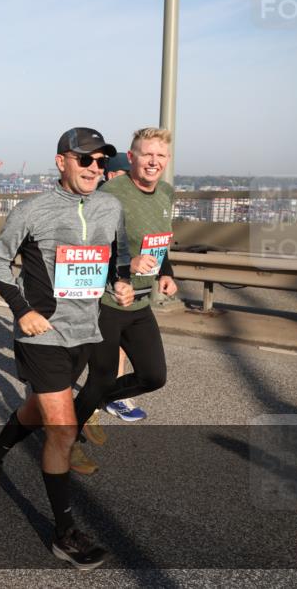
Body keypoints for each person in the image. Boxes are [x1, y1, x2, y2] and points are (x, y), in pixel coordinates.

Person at [0, 127, 134, 570]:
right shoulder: (33, 209)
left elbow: (116, 255)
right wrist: (22, 310)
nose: (95, 168)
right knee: (62, 430)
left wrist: (120, 282)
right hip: (41, 334)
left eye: (101, 161)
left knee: (38, 410)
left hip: (85, 331)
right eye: (86, 160)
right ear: (62, 161)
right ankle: (65, 534)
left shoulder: (110, 207)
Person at [70, 128, 176, 473]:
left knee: (153, 376)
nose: (154, 162)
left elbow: (158, 241)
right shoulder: (111, 193)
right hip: (107, 303)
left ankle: (82, 409)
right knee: (100, 379)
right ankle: (65, 440)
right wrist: (127, 265)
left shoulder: (166, 194)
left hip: (141, 305)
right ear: (131, 157)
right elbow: (86, 247)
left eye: (160, 155)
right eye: (147, 154)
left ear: (167, 159)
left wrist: (166, 271)